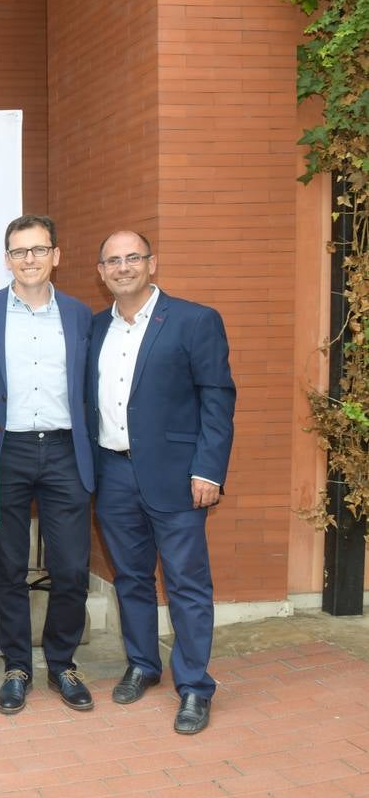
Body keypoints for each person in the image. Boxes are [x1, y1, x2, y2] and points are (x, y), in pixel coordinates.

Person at [88, 230, 236, 735]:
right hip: (113, 472)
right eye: (114, 261)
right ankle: (143, 664)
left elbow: (217, 400)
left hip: (178, 476)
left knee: (186, 583)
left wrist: (209, 470)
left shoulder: (195, 321)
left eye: (133, 258)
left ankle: (194, 686)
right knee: (130, 577)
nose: (123, 267)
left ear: (153, 264)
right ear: (102, 271)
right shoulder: (94, 330)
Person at [0, 215, 96, 715]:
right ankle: (17, 666)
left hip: (64, 451)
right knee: (8, 568)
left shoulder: (81, 316)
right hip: (4, 452)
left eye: (38, 250)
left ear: (57, 254)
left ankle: (62, 663)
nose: (29, 259)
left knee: (72, 567)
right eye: (19, 251)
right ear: (6, 258)